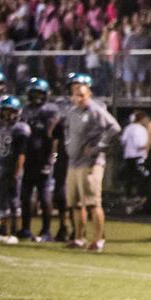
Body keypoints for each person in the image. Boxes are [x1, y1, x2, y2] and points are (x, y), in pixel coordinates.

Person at [60, 73, 120, 252]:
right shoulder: (71, 111)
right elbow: (67, 130)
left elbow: (114, 128)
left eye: (82, 95)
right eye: (76, 94)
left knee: (93, 202)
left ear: (89, 95)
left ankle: (98, 239)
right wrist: (68, 144)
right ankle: (79, 237)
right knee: (75, 203)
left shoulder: (95, 109)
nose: (78, 98)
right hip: (74, 162)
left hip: (91, 163)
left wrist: (98, 147)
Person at [16, 77, 60, 241]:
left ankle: (46, 231)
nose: (36, 96)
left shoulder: (50, 110)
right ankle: (25, 228)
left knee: (44, 196)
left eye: (39, 93)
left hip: (43, 158)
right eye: (33, 93)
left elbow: (52, 137)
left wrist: (50, 159)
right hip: (27, 158)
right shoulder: (25, 110)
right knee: (26, 196)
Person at [0, 96, 28, 243]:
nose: (8, 115)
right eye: (5, 111)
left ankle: (14, 232)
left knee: (14, 201)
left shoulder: (20, 128)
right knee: (1, 201)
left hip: (12, 169)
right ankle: (3, 231)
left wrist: (17, 172)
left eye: (11, 111)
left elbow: (22, 153)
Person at [118, 110, 151, 215]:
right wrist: (149, 143)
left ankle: (128, 198)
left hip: (128, 157)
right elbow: (140, 144)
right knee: (142, 179)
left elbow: (122, 140)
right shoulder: (141, 129)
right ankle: (139, 199)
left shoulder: (128, 128)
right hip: (139, 157)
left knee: (129, 180)